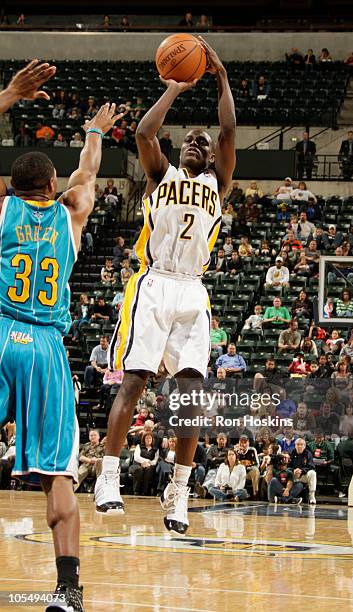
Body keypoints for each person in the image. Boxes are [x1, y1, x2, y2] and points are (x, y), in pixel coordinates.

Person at [95, 39, 236, 537]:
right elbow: (143, 131)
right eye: (191, 141)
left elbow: (228, 129)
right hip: (154, 284)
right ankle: (108, 476)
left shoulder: (219, 181)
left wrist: (219, 77)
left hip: (193, 292)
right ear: (179, 151)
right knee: (134, 381)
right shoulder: (161, 174)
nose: (199, 144)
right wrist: (175, 88)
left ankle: (178, 489)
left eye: (204, 142)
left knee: (192, 395)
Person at [0, 61, 122, 610]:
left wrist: (7, 96)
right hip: (46, 347)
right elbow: (88, 172)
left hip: (1, 333)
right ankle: (67, 590)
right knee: (58, 475)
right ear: (52, 186)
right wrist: (94, 130)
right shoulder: (71, 211)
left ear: (11, 187)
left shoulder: (2, 211)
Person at [290, 438, 317, 504]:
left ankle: (312, 496)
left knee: (312, 473)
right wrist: (294, 471)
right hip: (293, 475)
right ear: (295, 445)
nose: (299, 446)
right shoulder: (292, 453)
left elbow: (311, 466)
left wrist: (301, 471)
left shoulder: (308, 453)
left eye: (301, 444)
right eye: (298, 444)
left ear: (304, 446)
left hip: (303, 476)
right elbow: (287, 466)